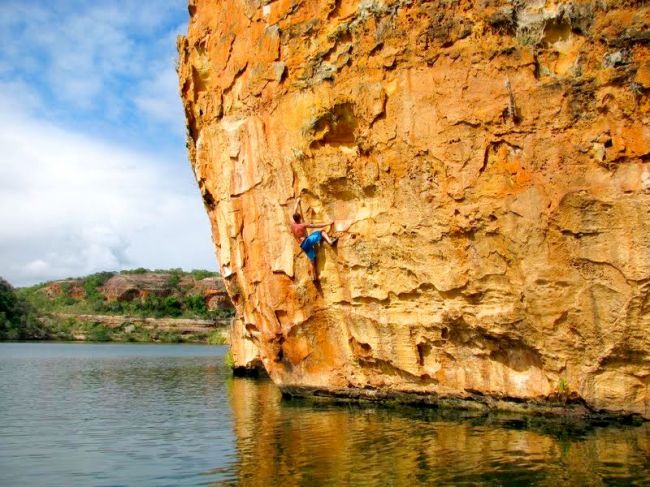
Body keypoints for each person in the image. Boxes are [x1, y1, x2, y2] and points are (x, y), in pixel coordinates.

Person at [290, 196, 337, 282]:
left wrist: (297, 202)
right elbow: (316, 226)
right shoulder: (302, 225)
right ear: (300, 218)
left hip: (302, 245)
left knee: (312, 260)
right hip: (307, 241)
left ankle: (313, 277)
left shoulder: (292, 225)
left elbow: (294, 211)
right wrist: (328, 223)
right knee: (321, 232)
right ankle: (330, 242)